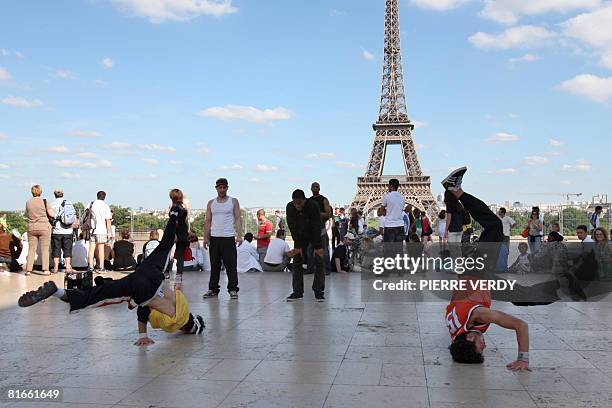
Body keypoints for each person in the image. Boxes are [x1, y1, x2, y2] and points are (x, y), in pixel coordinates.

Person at [18, 205, 205, 345]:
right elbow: (143, 310)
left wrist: (176, 215)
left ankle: (174, 213)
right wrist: (143, 335)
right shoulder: (173, 318)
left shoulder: (179, 302)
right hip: (144, 290)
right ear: (185, 325)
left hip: (148, 272)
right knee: (97, 296)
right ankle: (58, 292)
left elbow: (167, 242)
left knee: (164, 245)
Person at [441, 167, 531, 371]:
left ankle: (455, 190)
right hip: (471, 274)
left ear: (471, 338)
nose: (485, 345)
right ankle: (452, 193)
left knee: (494, 226)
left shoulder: (478, 317)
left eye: (481, 347)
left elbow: (520, 325)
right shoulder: (457, 333)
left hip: (476, 272)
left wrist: (523, 358)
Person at [202, 178, 242, 300]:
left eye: (224, 187)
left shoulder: (233, 201)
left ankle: (233, 289)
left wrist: (239, 235)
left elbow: (238, 218)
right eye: (220, 187)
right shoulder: (211, 203)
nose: (222, 189)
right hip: (214, 238)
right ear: (216, 188)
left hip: (228, 237)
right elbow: (207, 221)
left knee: (231, 265)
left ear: (227, 188)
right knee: (214, 265)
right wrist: (205, 237)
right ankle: (213, 289)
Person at [285, 189, 325, 302]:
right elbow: (292, 227)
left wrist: (317, 247)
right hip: (300, 235)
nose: (297, 206)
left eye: (300, 204)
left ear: (304, 201)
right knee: (297, 260)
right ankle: (297, 292)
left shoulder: (313, 206)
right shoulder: (290, 207)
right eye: (295, 204)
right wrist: (297, 247)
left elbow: (316, 227)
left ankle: (319, 291)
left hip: (314, 233)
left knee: (319, 260)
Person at [25, 184, 54, 276]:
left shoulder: (28, 202)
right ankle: (45, 270)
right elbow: (51, 214)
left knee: (31, 249)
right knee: (45, 249)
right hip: (44, 227)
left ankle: (29, 270)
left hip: (32, 227)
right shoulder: (44, 201)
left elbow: (26, 213)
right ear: (40, 191)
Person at [308, 182, 332, 274]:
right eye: (313, 187)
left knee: (324, 250)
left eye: (316, 187)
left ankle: (326, 269)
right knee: (310, 250)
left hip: (320, 228)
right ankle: (311, 269)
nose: (315, 188)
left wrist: (317, 214)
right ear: (311, 188)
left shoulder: (323, 200)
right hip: (312, 229)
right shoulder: (309, 201)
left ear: (319, 188)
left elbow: (329, 214)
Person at [380, 179, 406, 262]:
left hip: (390, 226)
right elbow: (400, 210)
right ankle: (400, 270)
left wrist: (386, 211)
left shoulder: (387, 196)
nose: (387, 187)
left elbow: (381, 212)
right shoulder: (402, 198)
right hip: (400, 226)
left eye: (388, 185)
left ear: (391, 186)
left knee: (388, 249)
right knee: (399, 249)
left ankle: (387, 270)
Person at [51, 189, 75, 273]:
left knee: (56, 249)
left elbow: (51, 217)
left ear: (54, 195)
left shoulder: (52, 204)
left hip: (56, 231)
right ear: (63, 194)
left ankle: (56, 267)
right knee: (67, 249)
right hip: (68, 230)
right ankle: (68, 267)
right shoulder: (69, 203)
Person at [88, 191, 113, 274]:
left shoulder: (91, 204)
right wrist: (109, 233)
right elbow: (108, 221)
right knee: (101, 249)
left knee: (91, 248)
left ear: (97, 196)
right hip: (101, 230)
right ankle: (101, 267)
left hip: (92, 229)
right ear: (104, 197)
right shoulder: (105, 206)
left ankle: (90, 267)